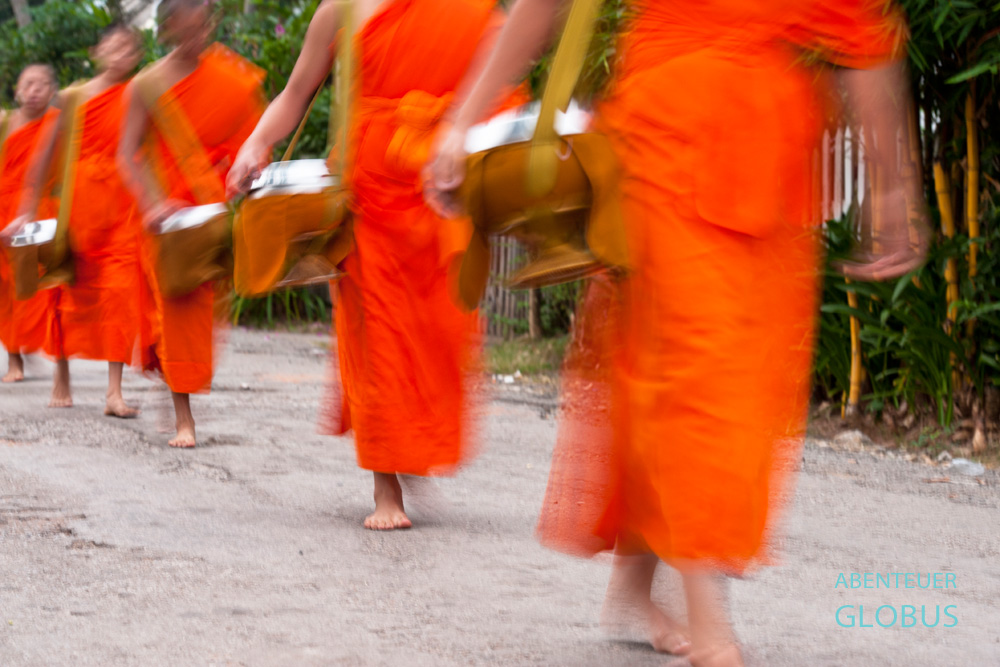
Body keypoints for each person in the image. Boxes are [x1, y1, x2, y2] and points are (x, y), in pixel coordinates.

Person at [427, 1, 927, 664]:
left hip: (771, 157)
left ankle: (637, 585)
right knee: (692, 369)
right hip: (662, 140)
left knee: (731, 381)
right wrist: (459, 122)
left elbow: (865, 36)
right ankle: (708, 621)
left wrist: (892, 191)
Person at [227, 0, 510, 530]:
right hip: (369, 191)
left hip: (439, 184)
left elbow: (496, 72)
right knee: (376, 337)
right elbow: (295, 94)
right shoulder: (341, 10)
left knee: (439, 331)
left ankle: (410, 444)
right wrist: (256, 142)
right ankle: (385, 489)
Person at [117, 0, 265, 447]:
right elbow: (128, 154)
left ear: (213, 21)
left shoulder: (232, 78)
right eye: (185, 29)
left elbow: (254, 139)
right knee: (177, 311)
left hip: (212, 212)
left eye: (203, 26)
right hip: (168, 221)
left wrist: (246, 170)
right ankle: (185, 418)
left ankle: (176, 380)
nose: (196, 37)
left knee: (201, 317)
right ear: (165, 30)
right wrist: (152, 203)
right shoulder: (146, 85)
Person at [12, 25, 145, 414]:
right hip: (79, 211)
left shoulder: (139, 94)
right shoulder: (71, 98)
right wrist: (26, 210)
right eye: (114, 45)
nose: (122, 52)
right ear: (95, 52)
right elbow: (41, 157)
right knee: (67, 296)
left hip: (124, 209)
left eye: (130, 46)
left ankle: (113, 392)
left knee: (120, 295)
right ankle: (62, 374)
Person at [0, 64, 59, 383]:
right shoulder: (4, 121)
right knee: (6, 289)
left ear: (52, 91)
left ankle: (35, 342)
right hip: (3, 209)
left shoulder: (56, 125)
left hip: (38, 212)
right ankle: (14, 360)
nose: (34, 90)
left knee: (36, 285)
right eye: (28, 83)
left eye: (42, 84)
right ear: (17, 90)